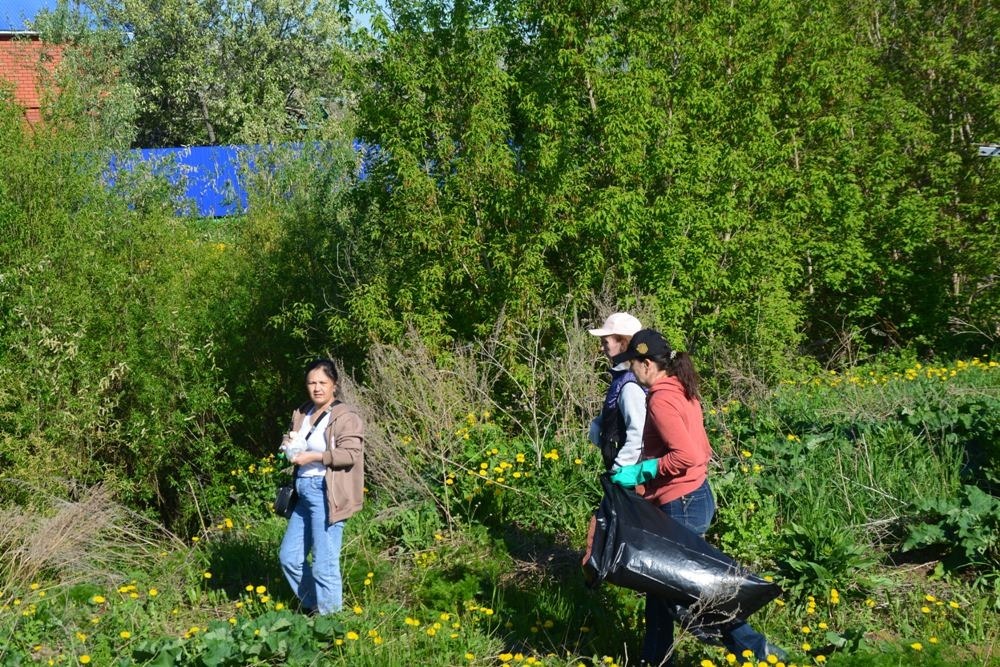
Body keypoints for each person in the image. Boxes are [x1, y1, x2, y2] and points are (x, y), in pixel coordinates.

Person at [610, 330, 785, 666]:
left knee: (685, 588)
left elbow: (687, 454)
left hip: (682, 503)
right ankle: (656, 658)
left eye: (633, 363)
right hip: (694, 496)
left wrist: (644, 471)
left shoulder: (661, 399)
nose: (631, 369)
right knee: (663, 585)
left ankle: (754, 648)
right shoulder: (681, 389)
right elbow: (702, 449)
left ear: (647, 364)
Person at [278, 358, 365, 616]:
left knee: (323, 564)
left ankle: (331, 623)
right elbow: (293, 438)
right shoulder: (302, 412)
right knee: (290, 558)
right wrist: (287, 445)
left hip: (327, 492)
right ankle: (316, 607)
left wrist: (315, 457)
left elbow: (350, 454)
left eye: (322, 383)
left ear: (334, 384)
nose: (317, 388)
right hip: (302, 492)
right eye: (311, 383)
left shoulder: (345, 417)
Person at [587, 312, 647, 471]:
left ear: (623, 342)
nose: (601, 347)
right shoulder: (623, 376)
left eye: (605, 342)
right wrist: (599, 423)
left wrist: (618, 470)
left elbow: (638, 434)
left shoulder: (630, 384)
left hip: (630, 472)